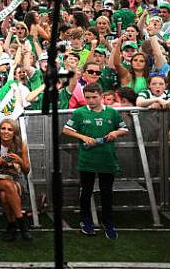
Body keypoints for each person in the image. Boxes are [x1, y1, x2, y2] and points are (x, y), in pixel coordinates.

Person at [62, 84, 129, 239]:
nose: (91, 100)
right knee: (86, 192)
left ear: (101, 96)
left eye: (94, 97)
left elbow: (125, 129)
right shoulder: (79, 113)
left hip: (107, 159)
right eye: (88, 97)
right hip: (87, 160)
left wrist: (115, 133)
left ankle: (108, 222)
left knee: (107, 193)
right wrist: (83, 137)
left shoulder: (112, 113)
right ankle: (86, 221)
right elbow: (66, 129)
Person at [0, 118, 32, 241]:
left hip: (16, 178)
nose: (6, 132)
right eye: (3, 129)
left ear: (14, 132)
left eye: (10, 129)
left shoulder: (21, 145)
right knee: (7, 186)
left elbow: (26, 170)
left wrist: (19, 160)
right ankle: (22, 224)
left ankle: (12, 226)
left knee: (5, 195)